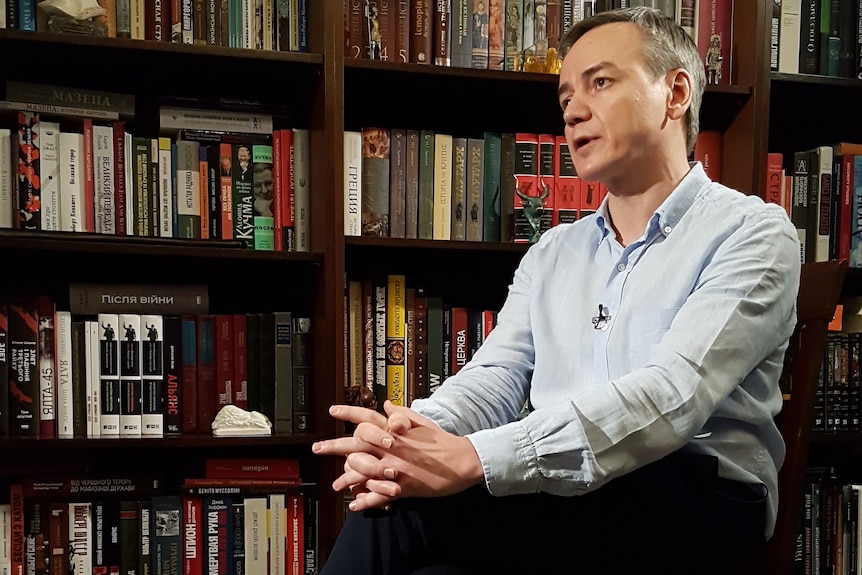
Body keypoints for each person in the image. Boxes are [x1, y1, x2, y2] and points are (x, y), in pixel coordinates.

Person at [313, 7, 800, 575]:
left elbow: (673, 396)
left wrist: (474, 457)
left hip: (695, 492)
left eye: (600, 82)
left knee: (398, 517)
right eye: (565, 95)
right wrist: (413, 432)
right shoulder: (552, 252)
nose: (573, 111)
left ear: (675, 94)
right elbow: (495, 378)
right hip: (566, 496)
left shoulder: (754, 233)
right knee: (411, 527)